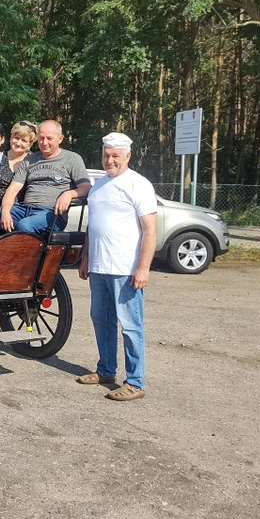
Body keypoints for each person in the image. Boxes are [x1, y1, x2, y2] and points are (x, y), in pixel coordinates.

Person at [77, 132, 158, 402]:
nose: (109, 160)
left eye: (115, 156)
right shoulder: (98, 186)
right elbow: (93, 227)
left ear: (128, 156)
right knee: (101, 321)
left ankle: (135, 382)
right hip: (99, 267)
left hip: (125, 269)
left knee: (131, 325)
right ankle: (106, 371)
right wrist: (86, 258)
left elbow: (150, 230)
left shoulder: (138, 185)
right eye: (105, 155)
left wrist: (143, 268)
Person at [0, 120, 90, 234]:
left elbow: (86, 187)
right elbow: (13, 189)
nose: (44, 142)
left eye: (49, 138)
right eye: (41, 138)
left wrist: (69, 194)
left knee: (25, 225)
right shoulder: (30, 160)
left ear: (60, 138)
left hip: (51, 213)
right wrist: (5, 212)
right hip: (23, 209)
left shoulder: (72, 159)